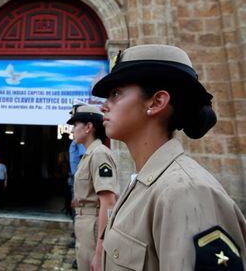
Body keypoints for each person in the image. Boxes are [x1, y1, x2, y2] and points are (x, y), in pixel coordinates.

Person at [92, 44, 246, 270]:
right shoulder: (144, 183)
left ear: (156, 102)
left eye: (115, 94)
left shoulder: (186, 192)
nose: (104, 106)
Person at [67, 102, 119, 271]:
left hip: (94, 226)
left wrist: (99, 251)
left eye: (75, 125)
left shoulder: (100, 154)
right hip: (85, 222)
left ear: (88, 127)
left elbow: (108, 202)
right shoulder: (88, 155)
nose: (73, 129)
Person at [68, 139, 86, 269]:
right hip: (75, 179)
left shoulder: (81, 143)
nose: (74, 128)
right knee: (76, 216)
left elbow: (82, 161)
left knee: (81, 217)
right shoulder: (75, 142)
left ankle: (81, 257)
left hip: (79, 179)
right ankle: (79, 253)